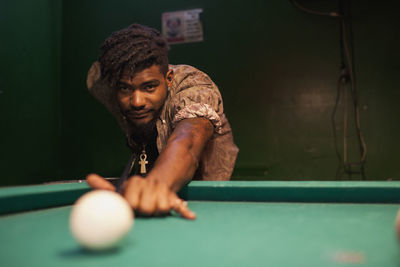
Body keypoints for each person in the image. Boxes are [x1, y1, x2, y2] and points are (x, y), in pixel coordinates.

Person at [86, 24, 238, 219]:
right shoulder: (102, 82)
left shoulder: (194, 87)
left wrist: (156, 184)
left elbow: (189, 139)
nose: (137, 102)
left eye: (149, 87)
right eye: (125, 89)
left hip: (205, 189)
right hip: (154, 168)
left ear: (168, 79)